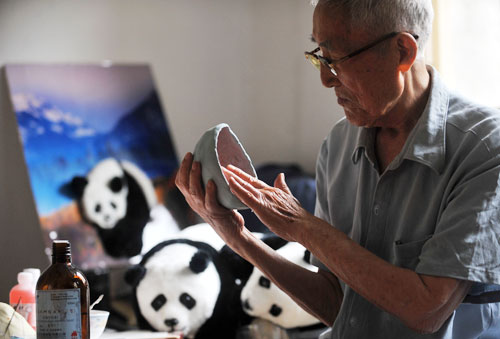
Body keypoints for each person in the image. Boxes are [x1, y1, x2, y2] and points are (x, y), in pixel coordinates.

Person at [175, 0, 500, 337]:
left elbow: (427, 310)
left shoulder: (486, 148)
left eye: (336, 59)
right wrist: (236, 236)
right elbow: (339, 304)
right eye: (318, 55)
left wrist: (304, 227)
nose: (325, 79)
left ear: (403, 51)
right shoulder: (339, 144)